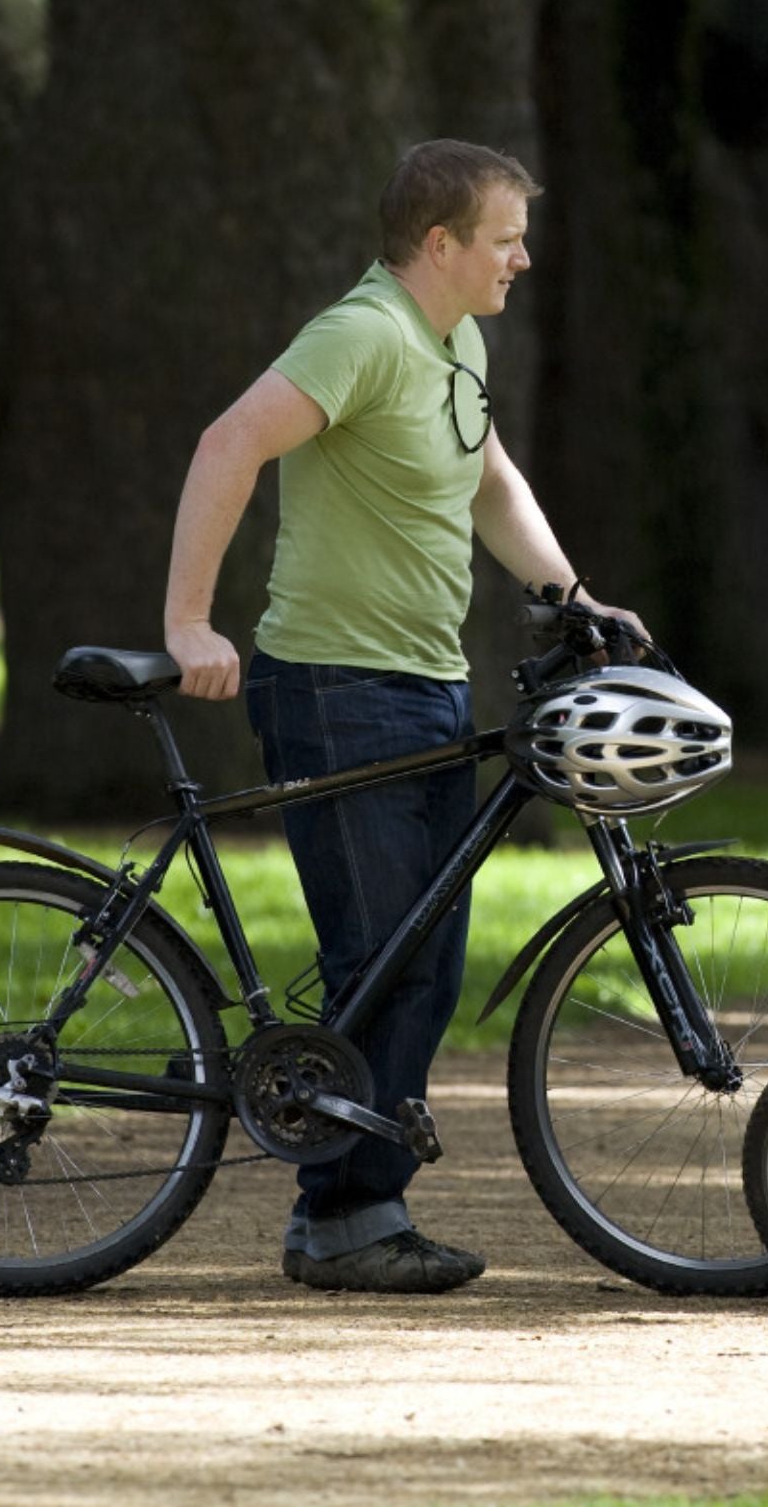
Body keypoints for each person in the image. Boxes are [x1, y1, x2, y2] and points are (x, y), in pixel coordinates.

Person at [161, 139, 637, 1294]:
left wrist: (568, 599)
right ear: (442, 244)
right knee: (382, 957)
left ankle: (354, 1204)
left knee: (420, 965)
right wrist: (189, 624)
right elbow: (230, 441)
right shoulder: (364, 333)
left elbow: (491, 483)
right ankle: (345, 1220)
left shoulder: (455, 341)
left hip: (421, 683)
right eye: (505, 237)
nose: (523, 257)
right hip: (334, 684)